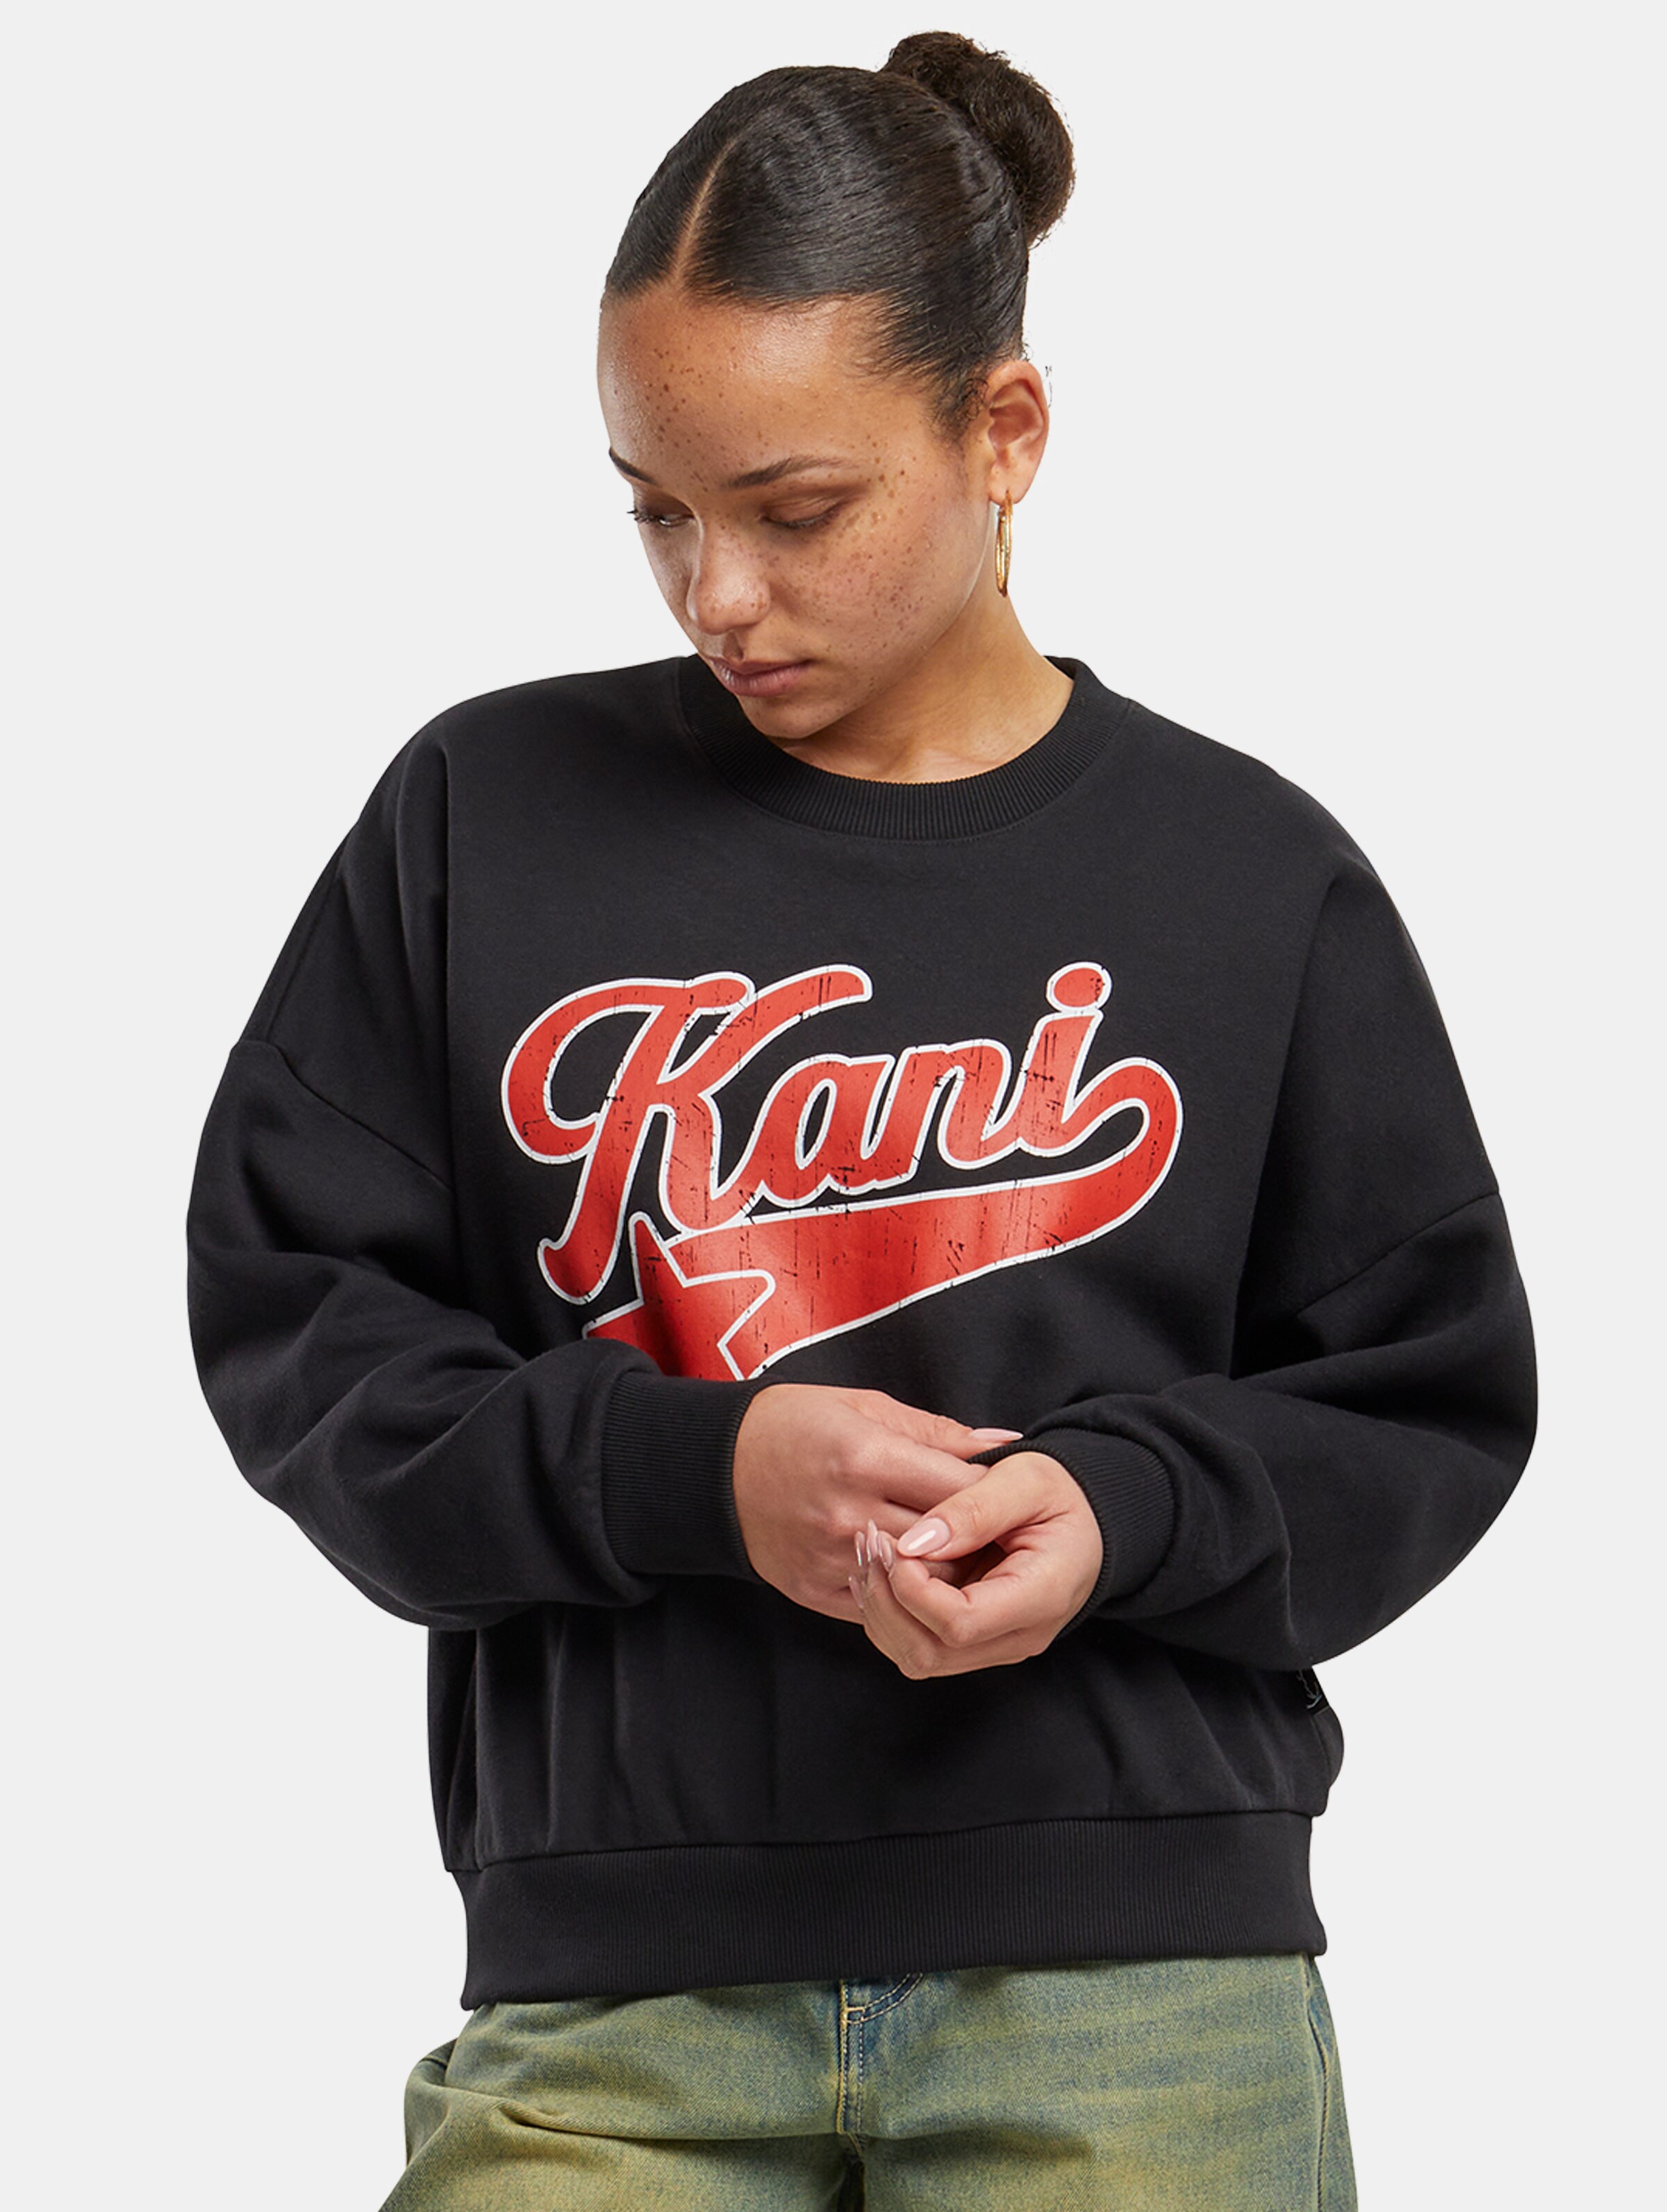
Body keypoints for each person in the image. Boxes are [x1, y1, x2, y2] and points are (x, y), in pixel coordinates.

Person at [185, 30, 1536, 2211]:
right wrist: (699, 1474)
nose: (715, 590)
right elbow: (307, 1344)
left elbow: (1424, 1405)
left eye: (794, 510)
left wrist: (1120, 1509)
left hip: (1140, 1997)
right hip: (610, 2007)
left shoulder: (1248, 875)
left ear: (1004, 431)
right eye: (656, 508)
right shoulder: (479, 819)